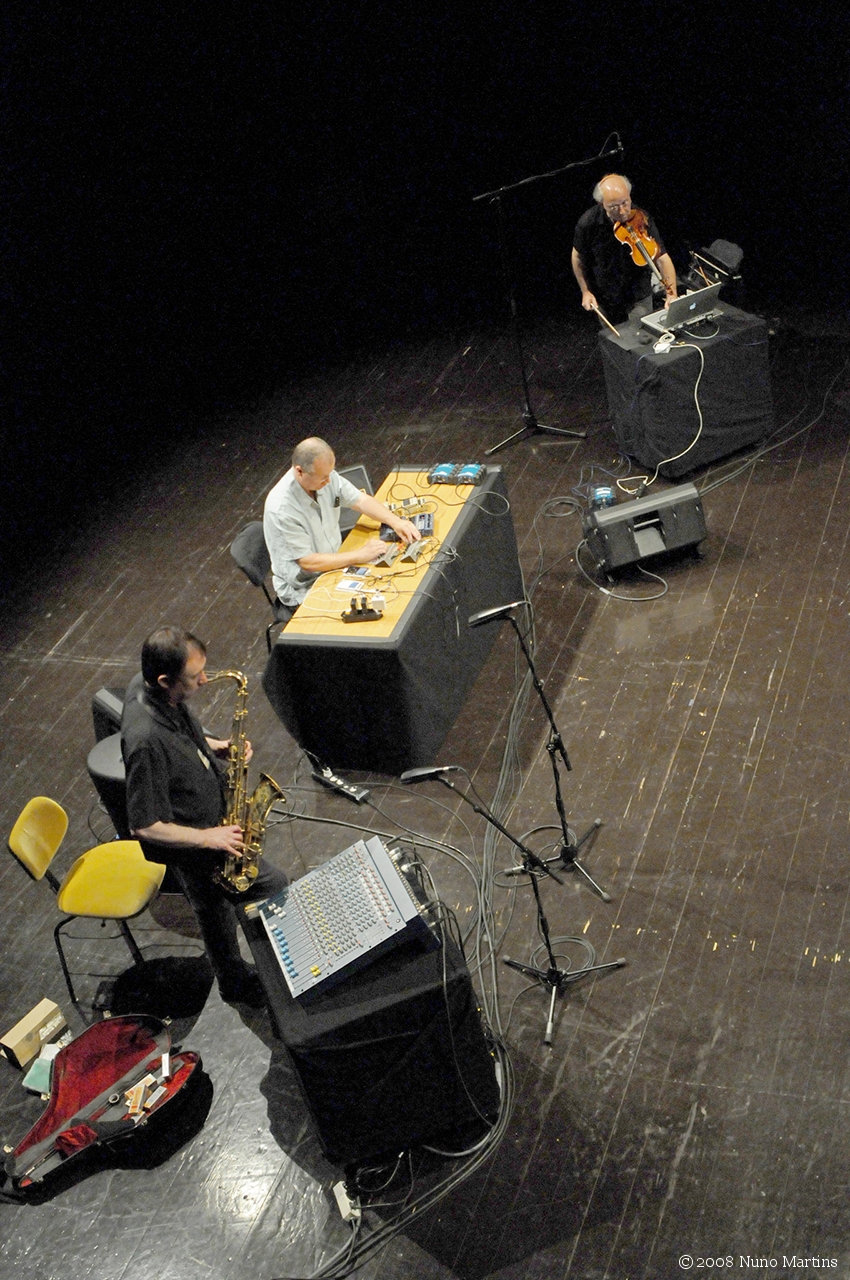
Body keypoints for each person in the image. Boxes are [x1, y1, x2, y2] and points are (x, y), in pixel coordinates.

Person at [121, 626, 289, 1006]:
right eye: (195, 677)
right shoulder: (145, 742)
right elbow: (144, 825)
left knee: (215, 916)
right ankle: (263, 975)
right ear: (164, 681)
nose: (205, 680)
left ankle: (233, 980)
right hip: (199, 845)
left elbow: (182, 737)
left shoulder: (147, 686)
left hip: (211, 824)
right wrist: (210, 838)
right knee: (265, 887)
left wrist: (215, 747)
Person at [263, 437, 421, 610]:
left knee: (394, 583)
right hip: (307, 586)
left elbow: (360, 500)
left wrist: (395, 521)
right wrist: (359, 555)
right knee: (376, 604)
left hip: (338, 560)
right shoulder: (281, 510)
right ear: (300, 471)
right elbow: (308, 562)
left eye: (330, 474)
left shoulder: (326, 477)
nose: (329, 481)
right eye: (323, 478)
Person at [571, 173, 678, 324]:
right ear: (602, 204)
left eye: (625, 203)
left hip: (638, 293)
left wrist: (671, 294)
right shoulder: (588, 223)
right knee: (614, 342)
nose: (622, 212)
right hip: (605, 296)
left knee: (642, 338)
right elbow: (577, 258)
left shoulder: (642, 218)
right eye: (614, 207)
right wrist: (585, 291)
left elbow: (661, 259)